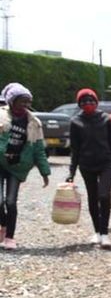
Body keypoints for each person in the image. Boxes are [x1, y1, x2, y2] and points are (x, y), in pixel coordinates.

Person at [67, 89, 111, 249]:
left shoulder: (105, 119)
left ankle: (105, 233)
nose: (88, 104)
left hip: (106, 163)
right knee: (92, 197)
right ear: (79, 104)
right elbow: (75, 149)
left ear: (96, 102)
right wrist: (71, 172)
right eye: (84, 101)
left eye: (91, 100)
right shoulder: (75, 122)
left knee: (104, 195)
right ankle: (97, 232)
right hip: (86, 165)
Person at [0, 83, 51, 250]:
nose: (25, 105)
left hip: (17, 166)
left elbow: (39, 149)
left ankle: (9, 237)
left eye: (28, 101)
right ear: (12, 101)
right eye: (22, 101)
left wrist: (44, 172)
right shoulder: (1, 116)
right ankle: (3, 225)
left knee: (11, 202)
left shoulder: (34, 123)